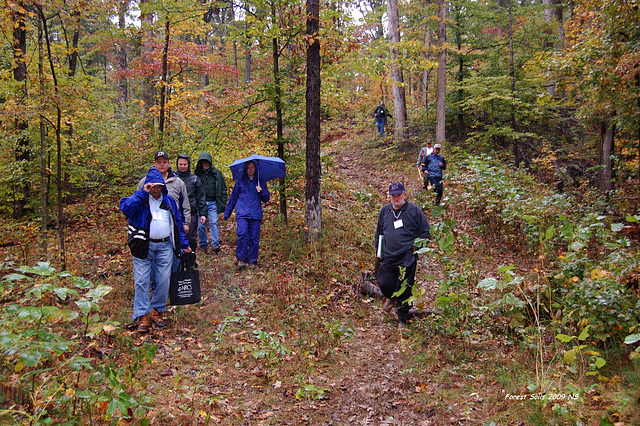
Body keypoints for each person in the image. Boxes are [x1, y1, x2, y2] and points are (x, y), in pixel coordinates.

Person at [120, 167, 191, 332]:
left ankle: (157, 310)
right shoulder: (140, 200)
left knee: (163, 280)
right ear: (147, 186)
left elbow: (177, 222)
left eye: (159, 186)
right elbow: (126, 208)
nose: (156, 189)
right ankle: (143, 314)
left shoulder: (169, 201)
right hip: (143, 246)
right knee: (141, 281)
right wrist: (143, 193)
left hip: (165, 246)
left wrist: (184, 243)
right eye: (152, 186)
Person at [375, 182, 430, 329]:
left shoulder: (414, 211)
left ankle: (402, 319)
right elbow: (379, 233)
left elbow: (425, 232)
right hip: (388, 256)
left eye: (399, 195)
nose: (396, 198)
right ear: (389, 196)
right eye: (393, 195)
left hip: (407, 256)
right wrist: (378, 251)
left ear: (405, 194)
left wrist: (416, 249)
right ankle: (392, 298)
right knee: (384, 282)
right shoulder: (385, 211)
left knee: (405, 287)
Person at [223, 160, 270, 269]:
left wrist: (261, 191)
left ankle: (252, 260)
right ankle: (241, 259)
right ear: (245, 169)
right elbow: (233, 198)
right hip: (242, 213)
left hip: (256, 214)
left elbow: (266, 198)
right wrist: (227, 213)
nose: (250, 170)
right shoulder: (240, 182)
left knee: (254, 238)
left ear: (255, 169)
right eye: (248, 167)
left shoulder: (260, 182)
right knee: (243, 234)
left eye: (252, 167)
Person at [137, 151, 190, 233]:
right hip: (149, 222)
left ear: (168, 163)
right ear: (155, 163)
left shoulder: (178, 182)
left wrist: (186, 223)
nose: (162, 165)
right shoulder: (144, 182)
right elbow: (137, 201)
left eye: (164, 162)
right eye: (159, 162)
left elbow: (185, 204)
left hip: (173, 222)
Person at [195, 152, 228, 254]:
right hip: (201, 203)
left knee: (213, 223)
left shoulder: (217, 174)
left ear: (210, 162)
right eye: (203, 162)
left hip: (213, 202)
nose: (205, 164)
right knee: (201, 226)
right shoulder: (197, 175)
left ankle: (215, 245)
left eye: (207, 162)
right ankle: (203, 245)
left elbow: (223, 189)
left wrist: (222, 203)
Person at [176, 154, 207, 252]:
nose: (182, 166)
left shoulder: (194, 179)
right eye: (180, 164)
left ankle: (191, 261)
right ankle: (179, 263)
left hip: (191, 212)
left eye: (184, 164)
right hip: (175, 212)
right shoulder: (173, 178)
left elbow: (200, 197)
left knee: (190, 238)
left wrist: (203, 214)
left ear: (188, 165)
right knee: (176, 238)